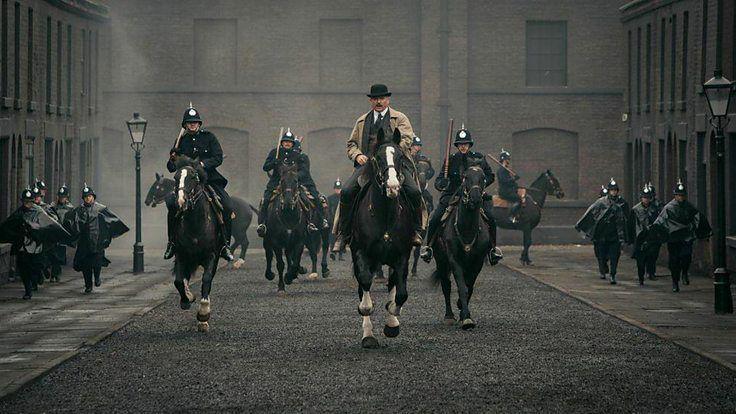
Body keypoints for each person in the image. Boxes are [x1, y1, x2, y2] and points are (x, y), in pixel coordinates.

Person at [332, 84, 425, 251]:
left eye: (382, 98)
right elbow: (351, 144)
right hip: (368, 165)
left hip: (395, 163)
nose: (379, 102)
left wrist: (392, 151)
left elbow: (407, 139)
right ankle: (344, 234)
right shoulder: (362, 121)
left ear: (387, 100)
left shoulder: (400, 118)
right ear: (371, 101)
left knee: (414, 191)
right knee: (346, 191)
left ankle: (416, 231)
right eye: (375, 99)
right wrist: (357, 155)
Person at [420, 125, 502, 263]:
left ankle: (493, 249)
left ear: (470, 145)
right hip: (452, 196)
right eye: (460, 144)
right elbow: (439, 181)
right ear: (457, 146)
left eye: (465, 144)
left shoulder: (479, 159)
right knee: (435, 218)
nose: (463, 147)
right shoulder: (451, 160)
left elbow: (490, 176)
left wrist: (479, 185)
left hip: (475, 195)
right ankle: (429, 248)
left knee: (491, 218)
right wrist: (443, 183)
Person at [165, 104, 234, 261]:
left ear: (199, 124)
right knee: (171, 203)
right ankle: (171, 243)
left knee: (228, 205)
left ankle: (225, 245)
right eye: (189, 122)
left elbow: (217, 157)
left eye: (195, 122)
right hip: (187, 183)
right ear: (185, 125)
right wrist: (172, 158)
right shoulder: (180, 141)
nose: (192, 125)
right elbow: (170, 168)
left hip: (209, 179)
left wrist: (203, 164)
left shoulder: (209, 137)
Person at [0, 188, 70, 299]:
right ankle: (28, 290)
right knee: (23, 269)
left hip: (36, 245)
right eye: (25, 201)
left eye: (29, 201)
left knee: (36, 266)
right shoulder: (19, 213)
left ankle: (38, 277)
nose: (27, 204)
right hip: (23, 246)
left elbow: (50, 224)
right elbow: (8, 225)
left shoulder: (39, 211)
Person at [256, 129, 327, 236]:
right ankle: (262, 224)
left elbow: (304, 170)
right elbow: (265, 167)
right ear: (282, 142)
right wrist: (274, 162)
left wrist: (294, 178)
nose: (287, 143)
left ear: (293, 144)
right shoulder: (275, 153)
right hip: (277, 183)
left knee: (306, 199)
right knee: (265, 200)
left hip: (294, 183)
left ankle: (313, 222)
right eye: (285, 141)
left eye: (289, 142)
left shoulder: (297, 155)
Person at [64, 185, 129, 293]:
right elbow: (72, 223)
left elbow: (111, 221)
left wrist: (107, 237)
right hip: (84, 242)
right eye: (85, 197)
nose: (88, 199)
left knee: (97, 262)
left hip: (97, 241)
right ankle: (88, 285)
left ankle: (97, 277)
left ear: (93, 197)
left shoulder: (100, 209)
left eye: (89, 196)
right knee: (86, 265)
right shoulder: (79, 210)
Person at [652, 179, 711, 292]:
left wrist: (702, 232)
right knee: (674, 261)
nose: (681, 198)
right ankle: (675, 282)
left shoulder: (689, 207)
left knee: (686, 257)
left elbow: (698, 218)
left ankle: (684, 272)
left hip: (686, 237)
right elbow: (660, 221)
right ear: (675, 196)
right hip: (673, 239)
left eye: (682, 195)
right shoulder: (669, 208)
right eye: (678, 195)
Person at [575, 178, 627, 284]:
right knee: (601, 255)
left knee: (614, 256)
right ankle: (603, 270)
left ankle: (613, 275)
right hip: (602, 235)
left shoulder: (622, 203)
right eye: (612, 190)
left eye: (615, 190)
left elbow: (625, 219)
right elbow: (590, 213)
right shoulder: (601, 202)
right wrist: (581, 225)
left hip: (615, 235)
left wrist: (624, 236)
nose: (614, 192)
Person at [629, 184, 662, 285]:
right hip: (640, 238)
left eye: (648, 198)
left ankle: (651, 273)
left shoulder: (655, 209)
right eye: (644, 198)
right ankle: (641, 277)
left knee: (652, 256)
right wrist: (631, 238)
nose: (646, 200)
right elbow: (631, 225)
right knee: (640, 260)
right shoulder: (635, 210)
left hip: (652, 238)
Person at [48, 185, 74, 282]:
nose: (62, 198)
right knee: (53, 254)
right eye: (60, 196)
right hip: (54, 233)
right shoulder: (52, 206)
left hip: (63, 233)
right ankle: (54, 273)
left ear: (67, 197)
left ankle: (56, 273)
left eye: (64, 197)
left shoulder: (70, 208)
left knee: (60, 255)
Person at [496, 149, 525, 223]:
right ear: (504, 160)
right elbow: (504, 181)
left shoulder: (505, 170)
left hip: (508, 190)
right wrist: (514, 179)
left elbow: (510, 182)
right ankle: (511, 216)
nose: (509, 160)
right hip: (504, 192)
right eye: (508, 159)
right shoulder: (501, 170)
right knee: (518, 199)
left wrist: (516, 185)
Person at [327, 179, 345, 261]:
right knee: (332, 237)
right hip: (332, 220)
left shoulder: (344, 198)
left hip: (341, 220)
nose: (338, 190)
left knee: (341, 237)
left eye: (339, 188)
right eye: (336, 188)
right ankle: (332, 253)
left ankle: (340, 254)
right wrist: (330, 219)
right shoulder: (330, 198)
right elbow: (328, 210)